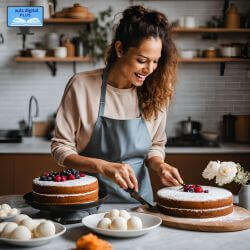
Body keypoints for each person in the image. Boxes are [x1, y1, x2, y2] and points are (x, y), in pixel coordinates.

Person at [51, 5, 183, 203]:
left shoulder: (157, 92)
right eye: (142, 60)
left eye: (155, 61)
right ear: (120, 49)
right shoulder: (82, 86)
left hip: (139, 205)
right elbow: (61, 148)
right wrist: (103, 166)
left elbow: (155, 145)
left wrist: (159, 166)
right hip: (87, 202)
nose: (149, 69)